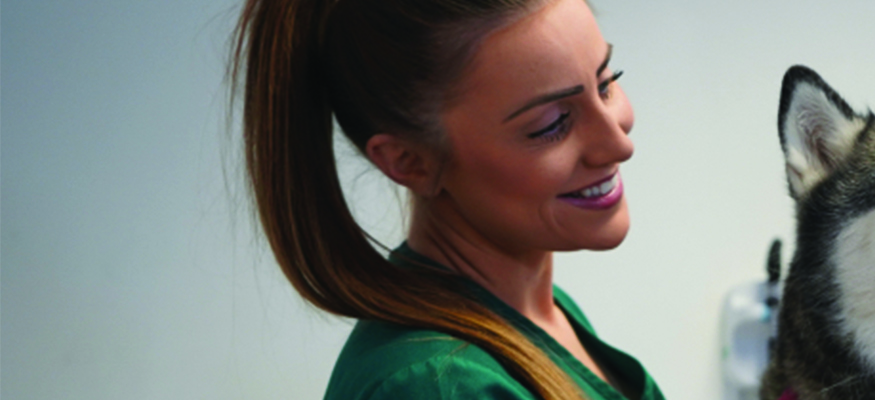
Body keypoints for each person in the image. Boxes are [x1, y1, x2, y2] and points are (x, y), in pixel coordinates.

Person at [231, 0, 661, 398]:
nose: (619, 144)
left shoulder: (538, 312)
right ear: (411, 162)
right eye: (551, 124)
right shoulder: (439, 386)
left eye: (606, 83)